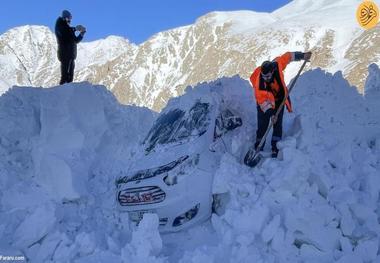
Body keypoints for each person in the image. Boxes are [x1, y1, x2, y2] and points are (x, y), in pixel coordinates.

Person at [250, 51, 312, 158]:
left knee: (277, 124)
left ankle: (275, 147)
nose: (266, 79)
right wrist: (271, 114)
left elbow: (288, 56)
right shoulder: (259, 84)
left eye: (268, 76)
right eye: (264, 76)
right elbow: (262, 102)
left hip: (279, 100)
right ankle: (258, 146)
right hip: (264, 103)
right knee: (263, 125)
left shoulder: (277, 65)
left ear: (272, 71)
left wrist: (302, 56)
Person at [55, 10, 86, 85]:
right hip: (65, 53)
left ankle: (69, 93)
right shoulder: (60, 25)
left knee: (70, 76)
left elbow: (75, 40)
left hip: (71, 55)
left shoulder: (67, 28)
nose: (70, 20)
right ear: (64, 18)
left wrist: (81, 34)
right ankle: (61, 92)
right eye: (69, 18)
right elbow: (65, 33)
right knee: (65, 76)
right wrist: (75, 29)